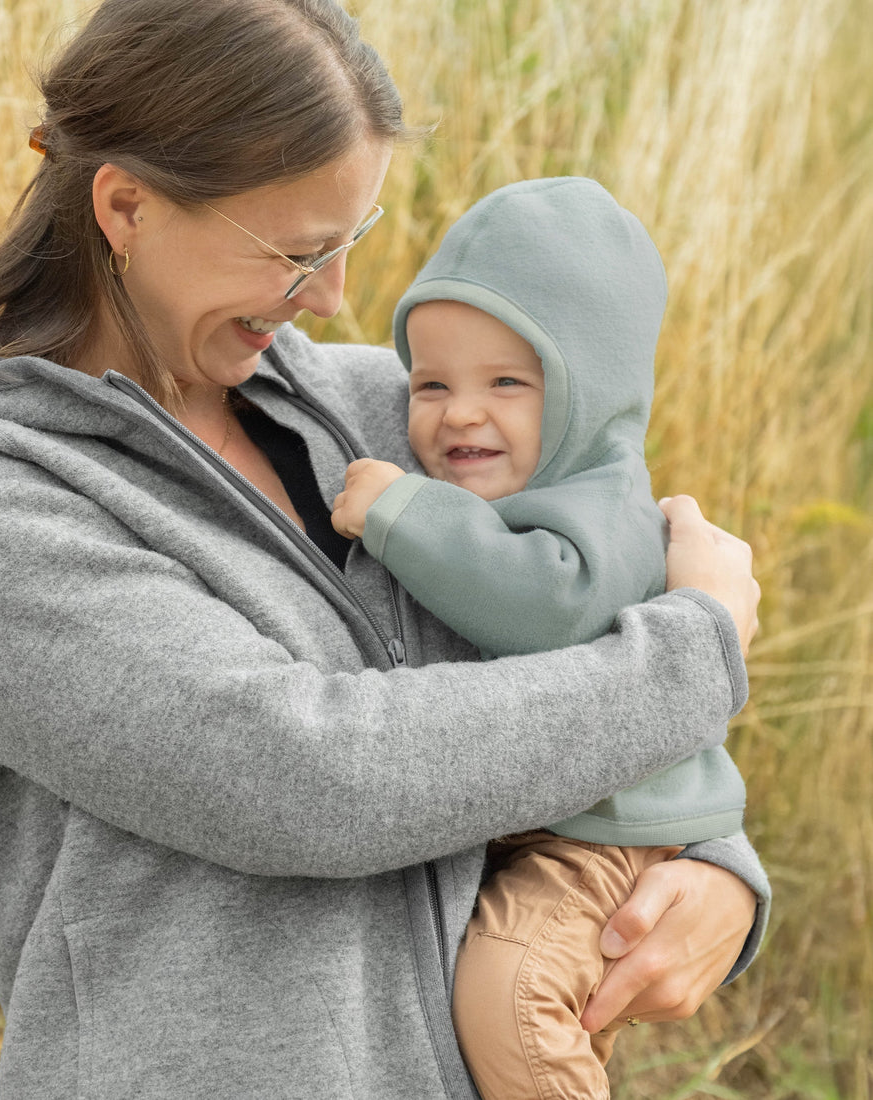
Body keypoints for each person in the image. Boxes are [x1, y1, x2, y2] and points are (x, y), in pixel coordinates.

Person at [0, 2, 767, 1097]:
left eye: (348, 244)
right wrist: (693, 662)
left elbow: (600, 602)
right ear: (125, 206)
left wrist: (714, 868)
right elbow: (297, 772)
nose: (329, 298)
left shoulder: (382, 410)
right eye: (295, 251)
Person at [329, 176, 752, 1100]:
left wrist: (405, 512)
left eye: (508, 383)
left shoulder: (601, 505)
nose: (458, 414)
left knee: (513, 995)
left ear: (586, 394)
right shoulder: (537, 482)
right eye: (430, 382)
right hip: (555, 817)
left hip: (604, 834)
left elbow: (546, 604)